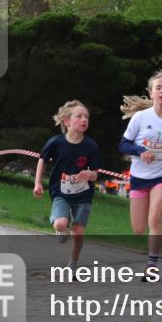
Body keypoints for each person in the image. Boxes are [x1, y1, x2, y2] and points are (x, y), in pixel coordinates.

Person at [119, 70, 162, 279]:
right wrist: (141, 151)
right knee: (139, 228)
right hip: (139, 176)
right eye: (158, 88)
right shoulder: (140, 118)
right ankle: (150, 258)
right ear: (151, 93)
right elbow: (123, 145)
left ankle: (152, 266)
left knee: (155, 219)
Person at [33, 100, 101, 272]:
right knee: (61, 224)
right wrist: (37, 182)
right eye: (79, 116)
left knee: (78, 231)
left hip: (83, 194)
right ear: (67, 121)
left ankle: (73, 264)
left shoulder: (91, 146)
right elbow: (42, 159)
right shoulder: (56, 142)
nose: (84, 119)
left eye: (86, 116)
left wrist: (90, 174)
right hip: (60, 192)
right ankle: (59, 229)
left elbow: (95, 173)